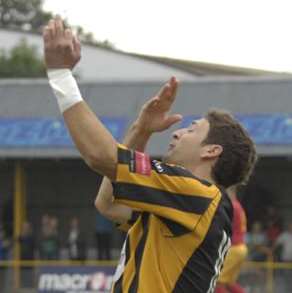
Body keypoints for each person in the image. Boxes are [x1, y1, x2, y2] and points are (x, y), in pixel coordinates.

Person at [43, 17, 257, 292]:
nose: (178, 133)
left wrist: (60, 74)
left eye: (192, 130)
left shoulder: (199, 195)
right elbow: (107, 203)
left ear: (212, 151)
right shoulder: (180, 205)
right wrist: (141, 130)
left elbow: (101, 155)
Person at [215, 186, 248, 293]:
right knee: (229, 282)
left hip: (233, 248)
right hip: (241, 247)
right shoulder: (238, 206)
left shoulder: (232, 206)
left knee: (217, 282)